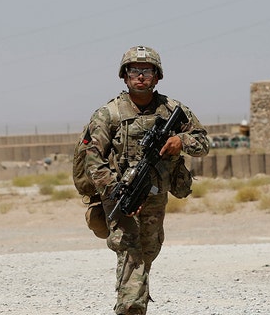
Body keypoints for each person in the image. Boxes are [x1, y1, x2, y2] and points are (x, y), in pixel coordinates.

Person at [82, 45, 209, 315]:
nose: (140, 76)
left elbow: (203, 143)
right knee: (129, 249)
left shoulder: (173, 109)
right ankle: (130, 308)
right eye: (134, 71)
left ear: (157, 76)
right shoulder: (109, 114)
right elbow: (93, 159)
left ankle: (135, 298)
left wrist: (180, 140)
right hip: (120, 193)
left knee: (148, 250)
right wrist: (116, 192)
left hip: (156, 192)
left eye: (147, 71)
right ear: (124, 76)